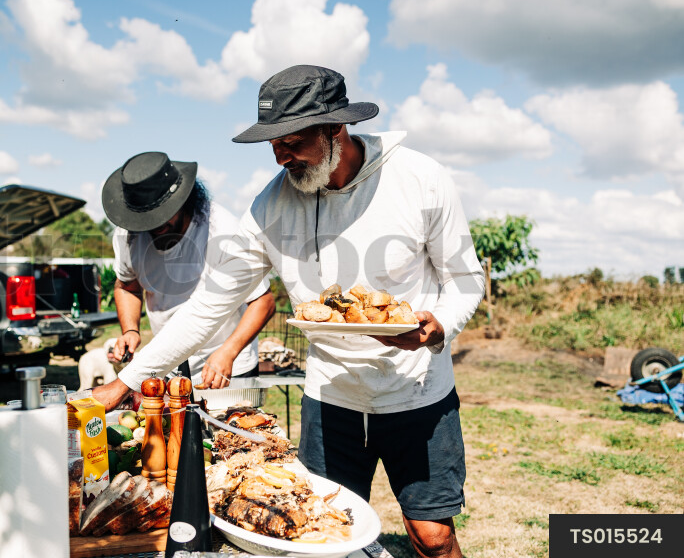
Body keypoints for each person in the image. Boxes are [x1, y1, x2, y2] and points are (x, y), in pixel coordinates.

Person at [93, 65, 484, 558]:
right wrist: (127, 381)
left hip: (416, 390)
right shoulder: (269, 209)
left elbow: (466, 279)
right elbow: (207, 308)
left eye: (293, 141)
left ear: (336, 128)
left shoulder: (420, 180)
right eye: (273, 145)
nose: (281, 157)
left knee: (432, 536)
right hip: (330, 397)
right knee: (319, 539)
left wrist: (437, 326)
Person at [100, 151, 276, 389]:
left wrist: (229, 351)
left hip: (226, 367)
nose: (155, 226)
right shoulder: (127, 236)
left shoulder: (222, 229)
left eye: (161, 216)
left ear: (183, 200)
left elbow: (263, 302)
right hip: (167, 368)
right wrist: (131, 329)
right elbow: (127, 286)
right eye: (146, 220)